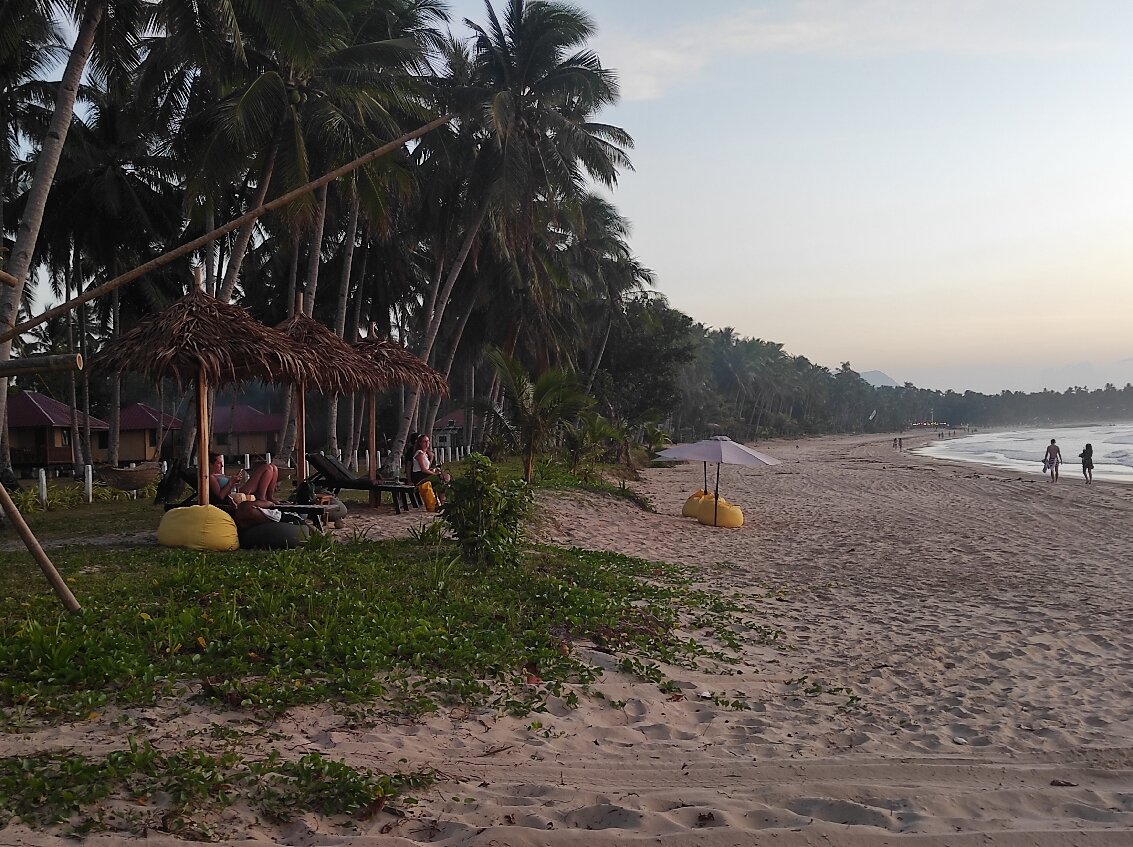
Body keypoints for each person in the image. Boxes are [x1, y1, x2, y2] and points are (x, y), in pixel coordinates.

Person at [411, 434, 451, 502]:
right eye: (424, 442)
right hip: (419, 475)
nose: (427, 443)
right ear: (420, 443)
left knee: (445, 477)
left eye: (428, 441)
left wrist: (432, 458)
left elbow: (428, 466)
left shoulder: (425, 454)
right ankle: (441, 501)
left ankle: (443, 499)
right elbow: (423, 469)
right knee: (439, 480)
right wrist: (434, 474)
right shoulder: (419, 454)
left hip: (424, 474)